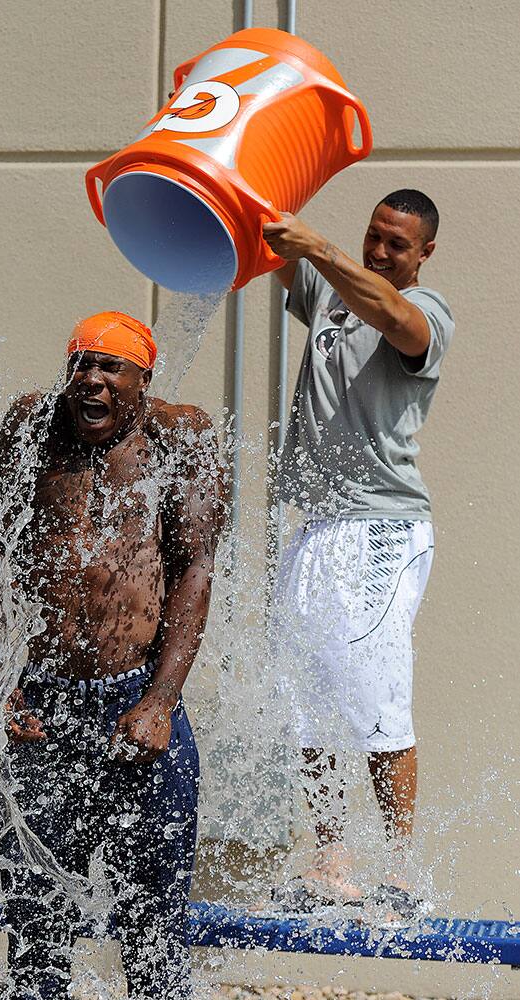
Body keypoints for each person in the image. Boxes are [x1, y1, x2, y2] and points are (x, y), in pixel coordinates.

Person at [0, 311, 225, 999]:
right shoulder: (32, 425)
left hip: (135, 703)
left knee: (152, 933)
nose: (91, 381)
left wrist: (161, 701)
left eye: (110, 368)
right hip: (42, 709)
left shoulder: (181, 436)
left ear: (144, 379)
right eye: (81, 364)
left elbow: (196, 568)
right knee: (36, 930)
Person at [262, 190, 454, 919]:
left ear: (423, 254)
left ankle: (401, 875)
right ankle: (331, 860)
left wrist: (322, 252)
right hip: (316, 527)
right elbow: (267, 242)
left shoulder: (427, 311)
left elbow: (392, 317)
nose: (378, 251)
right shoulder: (330, 288)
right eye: (372, 237)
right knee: (305, 698)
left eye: (395, 245)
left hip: (380, 528)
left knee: (375, 699)